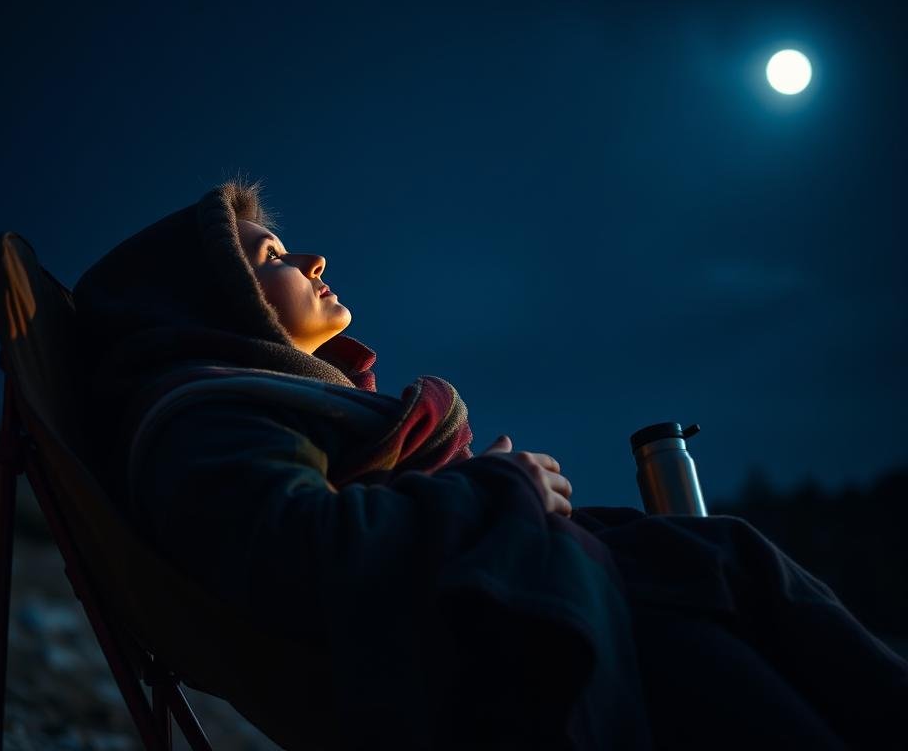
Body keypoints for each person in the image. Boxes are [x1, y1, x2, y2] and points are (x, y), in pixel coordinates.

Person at [72, 177, 907, 750]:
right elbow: (295, 548)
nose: (309, 261)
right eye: (270, 259)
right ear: (217, 305)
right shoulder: (208, 419)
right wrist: (493, 491)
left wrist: (483, 497)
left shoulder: (259, 410)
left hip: (529, 624)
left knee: (733, 563)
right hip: (507, 659)